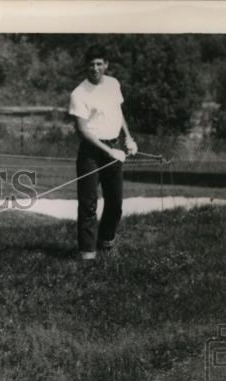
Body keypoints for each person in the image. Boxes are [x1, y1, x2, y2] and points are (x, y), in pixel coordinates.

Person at [68, 44, 139, 262]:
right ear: (86, 67)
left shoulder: (113, 84)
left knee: (115, 203)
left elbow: (118, 114)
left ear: (106, 65)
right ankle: (87, 255)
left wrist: (128, 138)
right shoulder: (79, 93)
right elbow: (82, 130)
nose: (95, 68)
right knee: (88, 205)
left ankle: (106, 243)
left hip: (115, 147)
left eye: (99, 63)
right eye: (91, 64)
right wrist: (109, 151)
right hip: (91, 153)